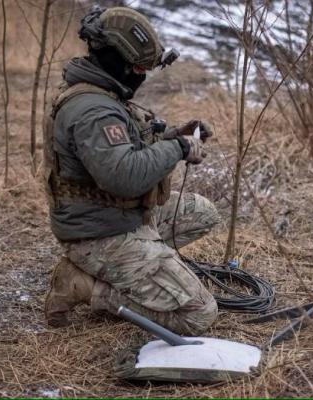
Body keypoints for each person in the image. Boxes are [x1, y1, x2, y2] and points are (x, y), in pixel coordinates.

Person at [43, 6, 220, 336]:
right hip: (98, 233)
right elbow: (123, 177)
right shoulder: (93, 111)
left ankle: (141, 266)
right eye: (138, 67)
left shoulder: (104, 95)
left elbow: (126, 150)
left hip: (119, 216)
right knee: (198, 314)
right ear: (116, 59)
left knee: (203, 213)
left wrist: (174, 135)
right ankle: (84, 285)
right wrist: (178, 149)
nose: (141, 75)